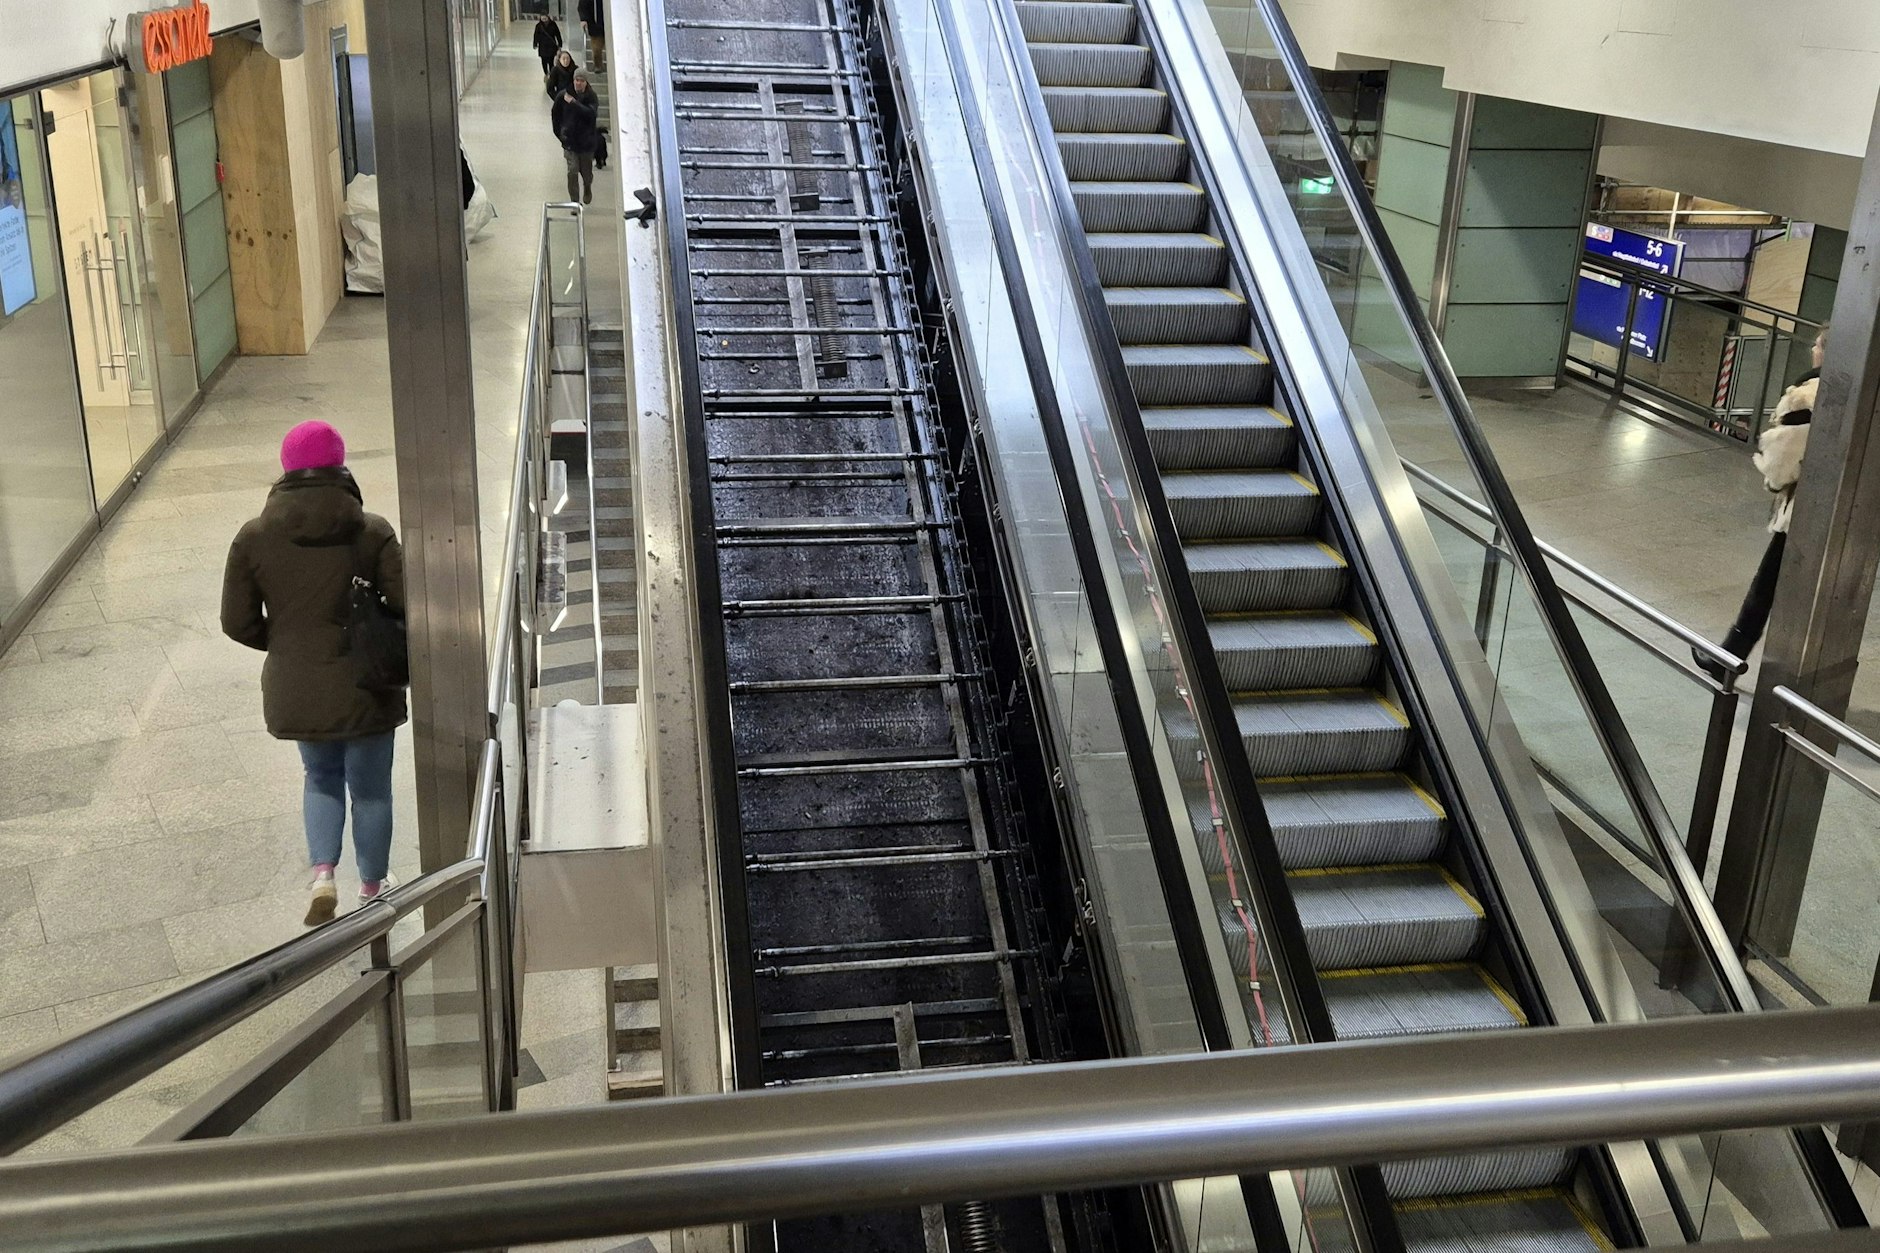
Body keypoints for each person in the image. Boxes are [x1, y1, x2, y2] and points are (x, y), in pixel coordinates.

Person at [221, 420, 408, 926]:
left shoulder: (254, 536)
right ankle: (373, 887)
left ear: (286, 468)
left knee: (320, 776)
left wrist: (284, 644)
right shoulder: (372, 531)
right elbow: (407, 601)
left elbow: (235, 622)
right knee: (371, 790)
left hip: (298, 687)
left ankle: (323, 874)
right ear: (340, 466)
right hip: (368, 684)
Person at [1695, 327, 1826, 682]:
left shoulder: (1808, 396)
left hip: (1805, 512)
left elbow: (1782, 462)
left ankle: (1729, 662)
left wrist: (1773, 480)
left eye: (1817, 344)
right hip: (1844, 515)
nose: (1812, 349)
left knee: (1766, 586)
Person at [554, 71, 602, 206]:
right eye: (576, 80)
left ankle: (587, 187)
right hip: (570, 142)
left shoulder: (591, 97)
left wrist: (574, 103)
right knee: (572, 170)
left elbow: (591, 114)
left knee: (586, 173)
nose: (578, 83)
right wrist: (560, 134)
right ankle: (574, 201)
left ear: (586, 82)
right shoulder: (563, 96)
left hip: (586, 143)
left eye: (581, 80)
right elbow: (555, 116)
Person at [531, 12, 563, 76]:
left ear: (547, 17)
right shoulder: (538, 26)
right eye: (542, 17)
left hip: (551, 45)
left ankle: (551, 74)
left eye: (545, 17)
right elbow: (536, 35)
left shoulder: (553, 24)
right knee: (544, 61)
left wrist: (560, 44)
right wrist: (535, 43)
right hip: (542, 46)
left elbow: (557, 34)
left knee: (551, 61)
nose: (543, 18)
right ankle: (546, 73)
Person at [578, 0, 605, 73]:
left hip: (608, 23)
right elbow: (582, 6)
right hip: (594, 25)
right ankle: (598, 66)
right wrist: (583, 19)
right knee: (596, 48)